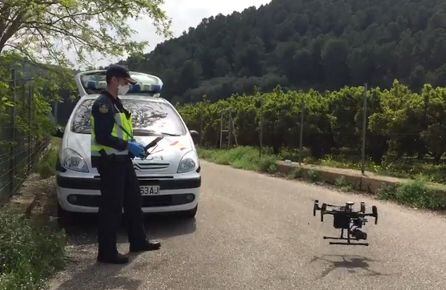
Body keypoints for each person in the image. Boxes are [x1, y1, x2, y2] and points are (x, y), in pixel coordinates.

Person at [91, 64, 161, 264]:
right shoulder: (103, 104)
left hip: (122, 160)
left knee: (133, 201)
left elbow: (121, 130)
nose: (126, 86)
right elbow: (103, 137)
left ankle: (138, 241)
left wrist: (134, 145)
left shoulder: (115, 102)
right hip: (110, 161)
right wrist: (128, 145)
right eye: (124, 82)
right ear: (113, 79)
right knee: (111, 208)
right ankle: (106, 252)